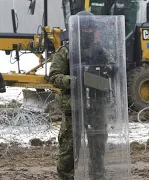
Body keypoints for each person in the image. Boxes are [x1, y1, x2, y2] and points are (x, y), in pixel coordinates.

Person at [49, 11, 115, 180]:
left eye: (90, 28)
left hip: (96, 107)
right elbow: (54, 77)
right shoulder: (66, 51)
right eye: (84, 28)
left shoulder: (100, 50)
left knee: (98, 150)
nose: (87, 32)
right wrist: (75, 80)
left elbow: (113, 67)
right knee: (68, 152)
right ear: (76, 29)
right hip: (74, 108)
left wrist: (111, 70)